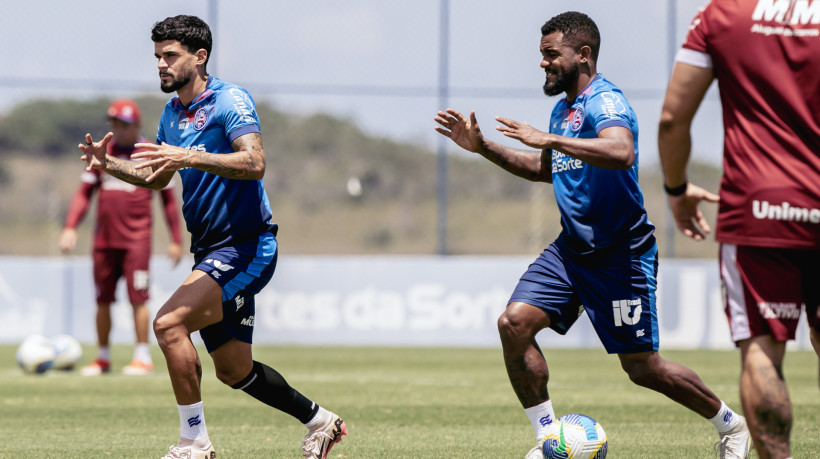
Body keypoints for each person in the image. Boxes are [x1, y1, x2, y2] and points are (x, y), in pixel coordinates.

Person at [435, 11, 751, 459]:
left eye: (550, 54)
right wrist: (484, 147)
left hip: (621, 253)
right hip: (571, 250)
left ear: (583, 54)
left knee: (643, 369)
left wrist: (549, 139)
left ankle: (732, 426)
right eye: (541, 55)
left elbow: (621, 152)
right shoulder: (562, 109)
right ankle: (548, 438)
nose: (542, 63)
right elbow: (543, 170)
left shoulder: (606, 101)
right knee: (514, 324)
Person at [78, 15, 346, 459]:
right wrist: (111, 166)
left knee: (168, 324)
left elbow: (255, 162)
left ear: (199, 56)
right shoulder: (171, 112)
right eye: (157, 57)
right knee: (235, 371)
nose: (161, 65)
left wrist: (190, 156)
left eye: (170, 56)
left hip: (246, 247)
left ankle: (194, 443)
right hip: (211, 249)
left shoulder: (229, 100)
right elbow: (158, 177)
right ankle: (322, 422)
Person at [657, 1, 820, 457]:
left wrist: (676, 187)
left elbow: (672, 118)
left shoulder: (721, 14)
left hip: (760, 208)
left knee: (762, 352)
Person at [60, 98, 183, 377]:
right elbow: (83, 195)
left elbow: (169, 201)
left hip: (136, 241)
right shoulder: (103, 154)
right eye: (114, 123)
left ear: (136, 125)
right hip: (104, 241)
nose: (118, 128)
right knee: (102, 299)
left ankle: (142, 356)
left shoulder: (149, 153)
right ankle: (102, 357)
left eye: (124, 124)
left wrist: (176, 239)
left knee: (138, 298)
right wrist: (70, 227)